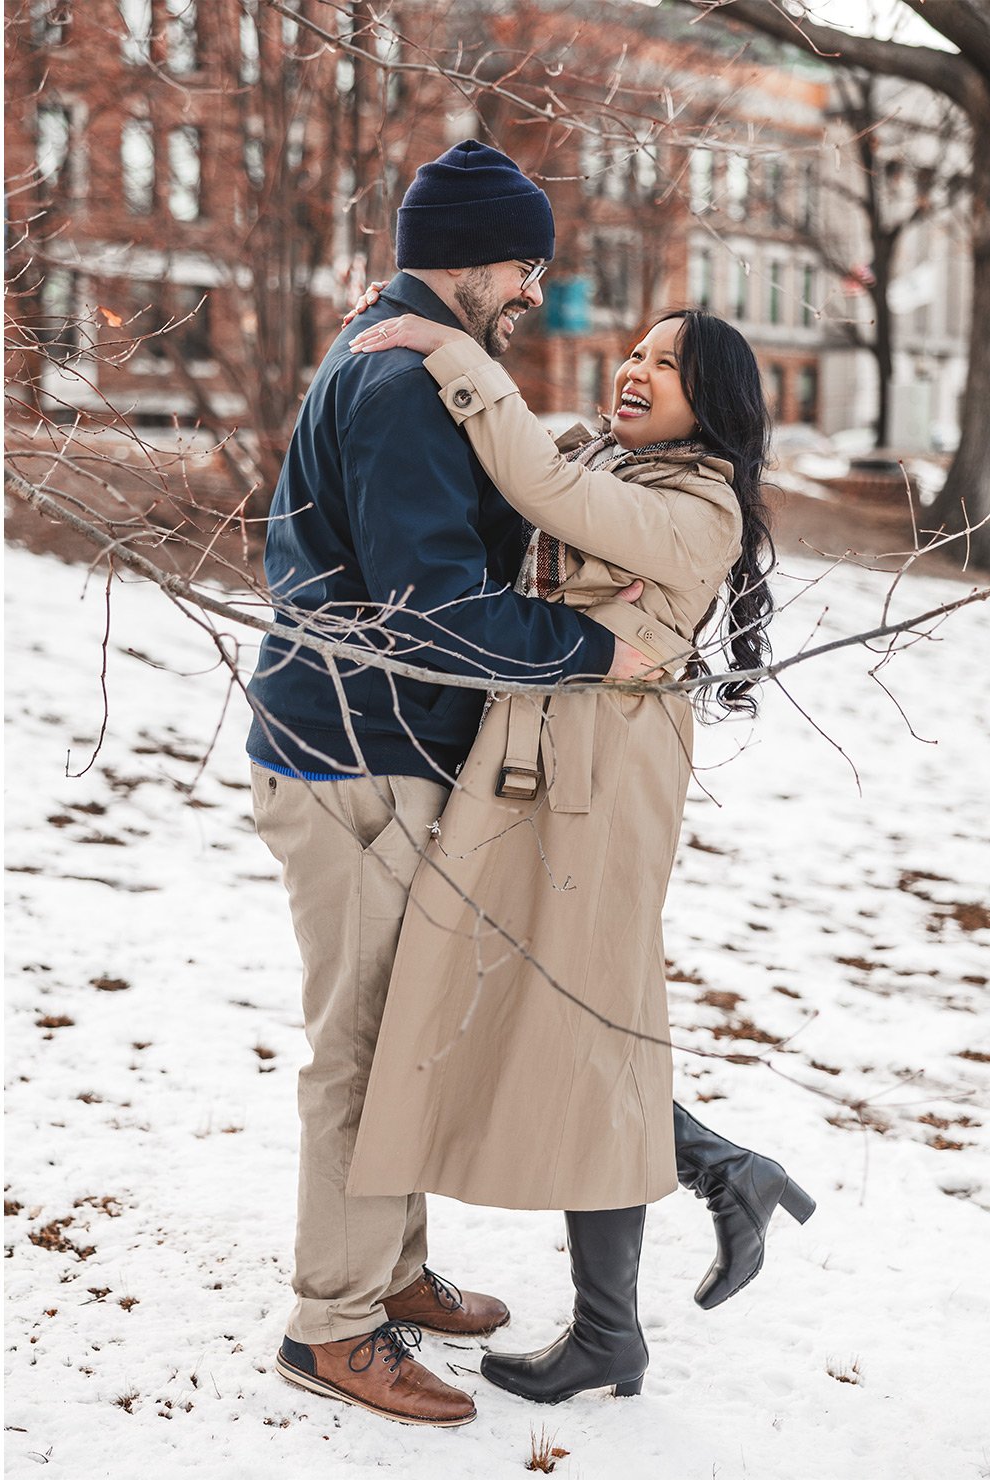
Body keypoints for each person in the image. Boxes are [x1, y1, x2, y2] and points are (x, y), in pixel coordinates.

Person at [242, 138, 666, 1429]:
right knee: (366, 1047)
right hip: (355, 757)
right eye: (527, 267)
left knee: (401, 1023)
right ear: (483, 256)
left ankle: (393, 1270)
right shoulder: (403, 386)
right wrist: (598, 650)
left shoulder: (405, 355)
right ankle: (335, 1323)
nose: (533, 292)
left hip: (374, 748)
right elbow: (433, 614)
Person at [340, 303, 811, 1404]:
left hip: (599, 783)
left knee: (586, 1017)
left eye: (665, 362)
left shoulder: (697, 508)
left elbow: (546, 500)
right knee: (546, 1013)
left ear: (715, 400)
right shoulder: (608, 463)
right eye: (634, 351)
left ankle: (614, 1324)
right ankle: (714, 1172)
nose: (634, 368)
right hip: (533, 759)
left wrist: (454, 358)